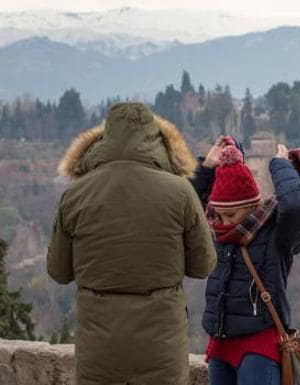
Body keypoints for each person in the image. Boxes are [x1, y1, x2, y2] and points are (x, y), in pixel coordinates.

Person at [47, 102, 217, 385]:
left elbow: (59, 271)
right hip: (160, 344)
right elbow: (203, 265)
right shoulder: (180, 192)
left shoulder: (75, 195)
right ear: (157, 139)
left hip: (99, 346)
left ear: (104, 138)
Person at [190, 136, 300, 385]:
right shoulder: (217, 230)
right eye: (219, 215)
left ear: (251, 205)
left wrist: (281, 166)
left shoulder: (276, 234)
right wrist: (207, 169)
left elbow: (295, 207)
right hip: (220, 344)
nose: (225, 222)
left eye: (231, 214)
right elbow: (184, 211)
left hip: (259, 347)